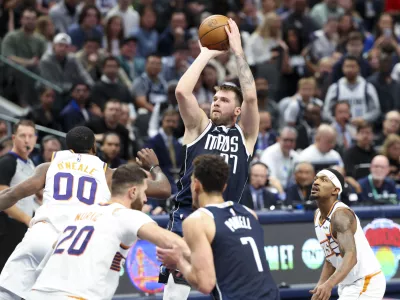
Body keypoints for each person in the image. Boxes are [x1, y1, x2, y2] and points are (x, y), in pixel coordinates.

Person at [0, 126, 170, 300]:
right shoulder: (107, 173)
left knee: (6, 293)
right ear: (94, 148)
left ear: (66, 146)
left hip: (40, 234)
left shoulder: (49, 166)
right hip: (71, 243)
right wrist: (154, 167)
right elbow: (164, 189)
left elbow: (12, 194)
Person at [161, 18, 259, 299]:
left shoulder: (246, 136)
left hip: (225, 214)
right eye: (215, 97)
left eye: (224, 99)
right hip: (188, 212)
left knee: (224, 286)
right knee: (178, 286)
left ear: (237, 110)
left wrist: (238, 52)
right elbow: (182, 91)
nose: (216, 101)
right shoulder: (198, 127)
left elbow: (251, 98)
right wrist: (206, 53)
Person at [27, 163, 186, 300]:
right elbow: (173, 242)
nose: (145, 199)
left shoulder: (80, 214)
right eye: (144, 192)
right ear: (132, 192)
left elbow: (53, 250)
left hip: (37, 292)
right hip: (76, 295)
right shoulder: (127, 216)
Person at [157, 155, 279, 300]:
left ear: (196, 184)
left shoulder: (197, 220)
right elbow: (228, 258)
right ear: (224, 186)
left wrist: (179, 261)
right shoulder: (250, 213)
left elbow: (205, 284)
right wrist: (185, 254)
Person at [310, 168, 385, 300]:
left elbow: (351, 257)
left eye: (324, 180)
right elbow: (330, 258)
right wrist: (321, 285)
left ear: (335, 190)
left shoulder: (340, 215)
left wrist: (329, 285)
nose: (316, 182)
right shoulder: (317, 215)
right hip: (347, 284)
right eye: (316, 178)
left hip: (365, 281)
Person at [0, 120, 37, 273]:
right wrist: (28, 219)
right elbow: (2, 199)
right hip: (8, 228)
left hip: (23, 227)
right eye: (23, 136)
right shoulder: (7, 162)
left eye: (30, 136)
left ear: (35, 139)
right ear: (14, 138)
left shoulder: (30, 163)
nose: (27, 140)